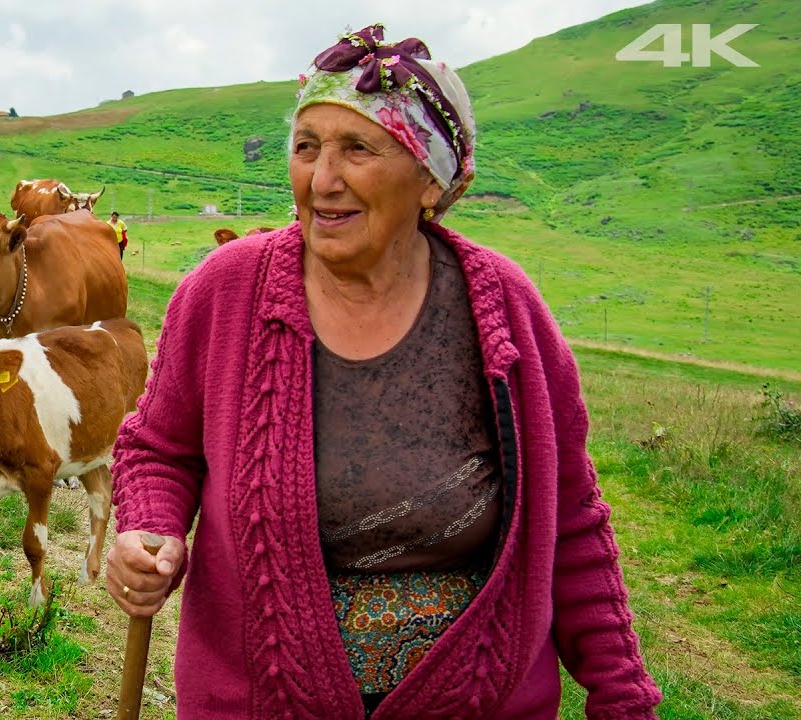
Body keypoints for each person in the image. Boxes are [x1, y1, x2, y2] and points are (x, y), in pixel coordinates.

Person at [105, 23, 661, 720]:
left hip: (477, 701)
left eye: (358, 149)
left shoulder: (505, 308)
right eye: (306, 147)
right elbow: (159, 448)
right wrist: (150, 526)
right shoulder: (225, 291)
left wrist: (622, 694)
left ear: (431, 179)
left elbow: (571, 519)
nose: (322, 180)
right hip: (263, 700)